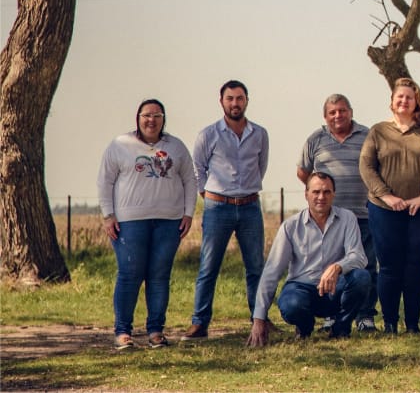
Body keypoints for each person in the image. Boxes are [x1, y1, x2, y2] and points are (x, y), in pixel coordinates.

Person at [97, 99, 197, 350]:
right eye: (146, 115)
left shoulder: (176, 146)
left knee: (159, 276)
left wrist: (188, 213)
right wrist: (108, 215)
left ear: (164, 119)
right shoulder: (120, 145)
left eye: (157, 115)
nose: (151, 120)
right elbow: (105, 181)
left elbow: (190, 180)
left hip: (169, 221)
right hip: (129, 222)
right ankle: (123, 332)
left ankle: (156, 331)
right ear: (138, 118)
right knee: (130, 274)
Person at [359, 77, 420, 334]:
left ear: (416, 101)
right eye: (400, 97)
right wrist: (386, 196)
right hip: (385, 210)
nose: (404, 101)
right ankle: (389, 323)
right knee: (388, 266)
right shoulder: (378, 131)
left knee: (415, 266)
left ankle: (413, 324)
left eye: (409, 97)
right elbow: (366, 166)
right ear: (392, 102)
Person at [184, 80, 269, 340]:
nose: (235, 103)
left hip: (250, 207)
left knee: (256, 267)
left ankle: (260, 319)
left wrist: (247, 190)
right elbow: (198, 168)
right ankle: (199, 323)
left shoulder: (260, 133)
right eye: (230, 98)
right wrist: (207, 194)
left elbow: (261, 166)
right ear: (221, 101)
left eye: (240, 98)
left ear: (247, 101)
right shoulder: (208, 134)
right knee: (209, 266)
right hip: (218, 207)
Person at [246, 172, 370, 346]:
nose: (321, 197)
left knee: (361, 277)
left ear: (334, 194)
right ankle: (304, 328)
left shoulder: (347, 218)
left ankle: (340, 328)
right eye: (316, 192)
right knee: (291, 305)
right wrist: (259, 319)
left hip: (335, 289)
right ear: (306, 194)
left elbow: (358, 256)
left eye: (327, 192)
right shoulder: (290, 226)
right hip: (302, 288)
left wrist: (337, 267)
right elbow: (272, 272)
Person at [296, 94, 378, 332]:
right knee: (332, 266)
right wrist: (320, 195)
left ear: (351, 112)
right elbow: (303, 172)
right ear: (325, 116)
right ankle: (332, 315)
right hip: (329, 218)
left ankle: (365, 316)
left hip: (364, 213)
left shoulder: (367, 135)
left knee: (367, 266)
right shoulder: (316, 139)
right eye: (332, 112)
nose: (337, 116)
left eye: (342, 111)